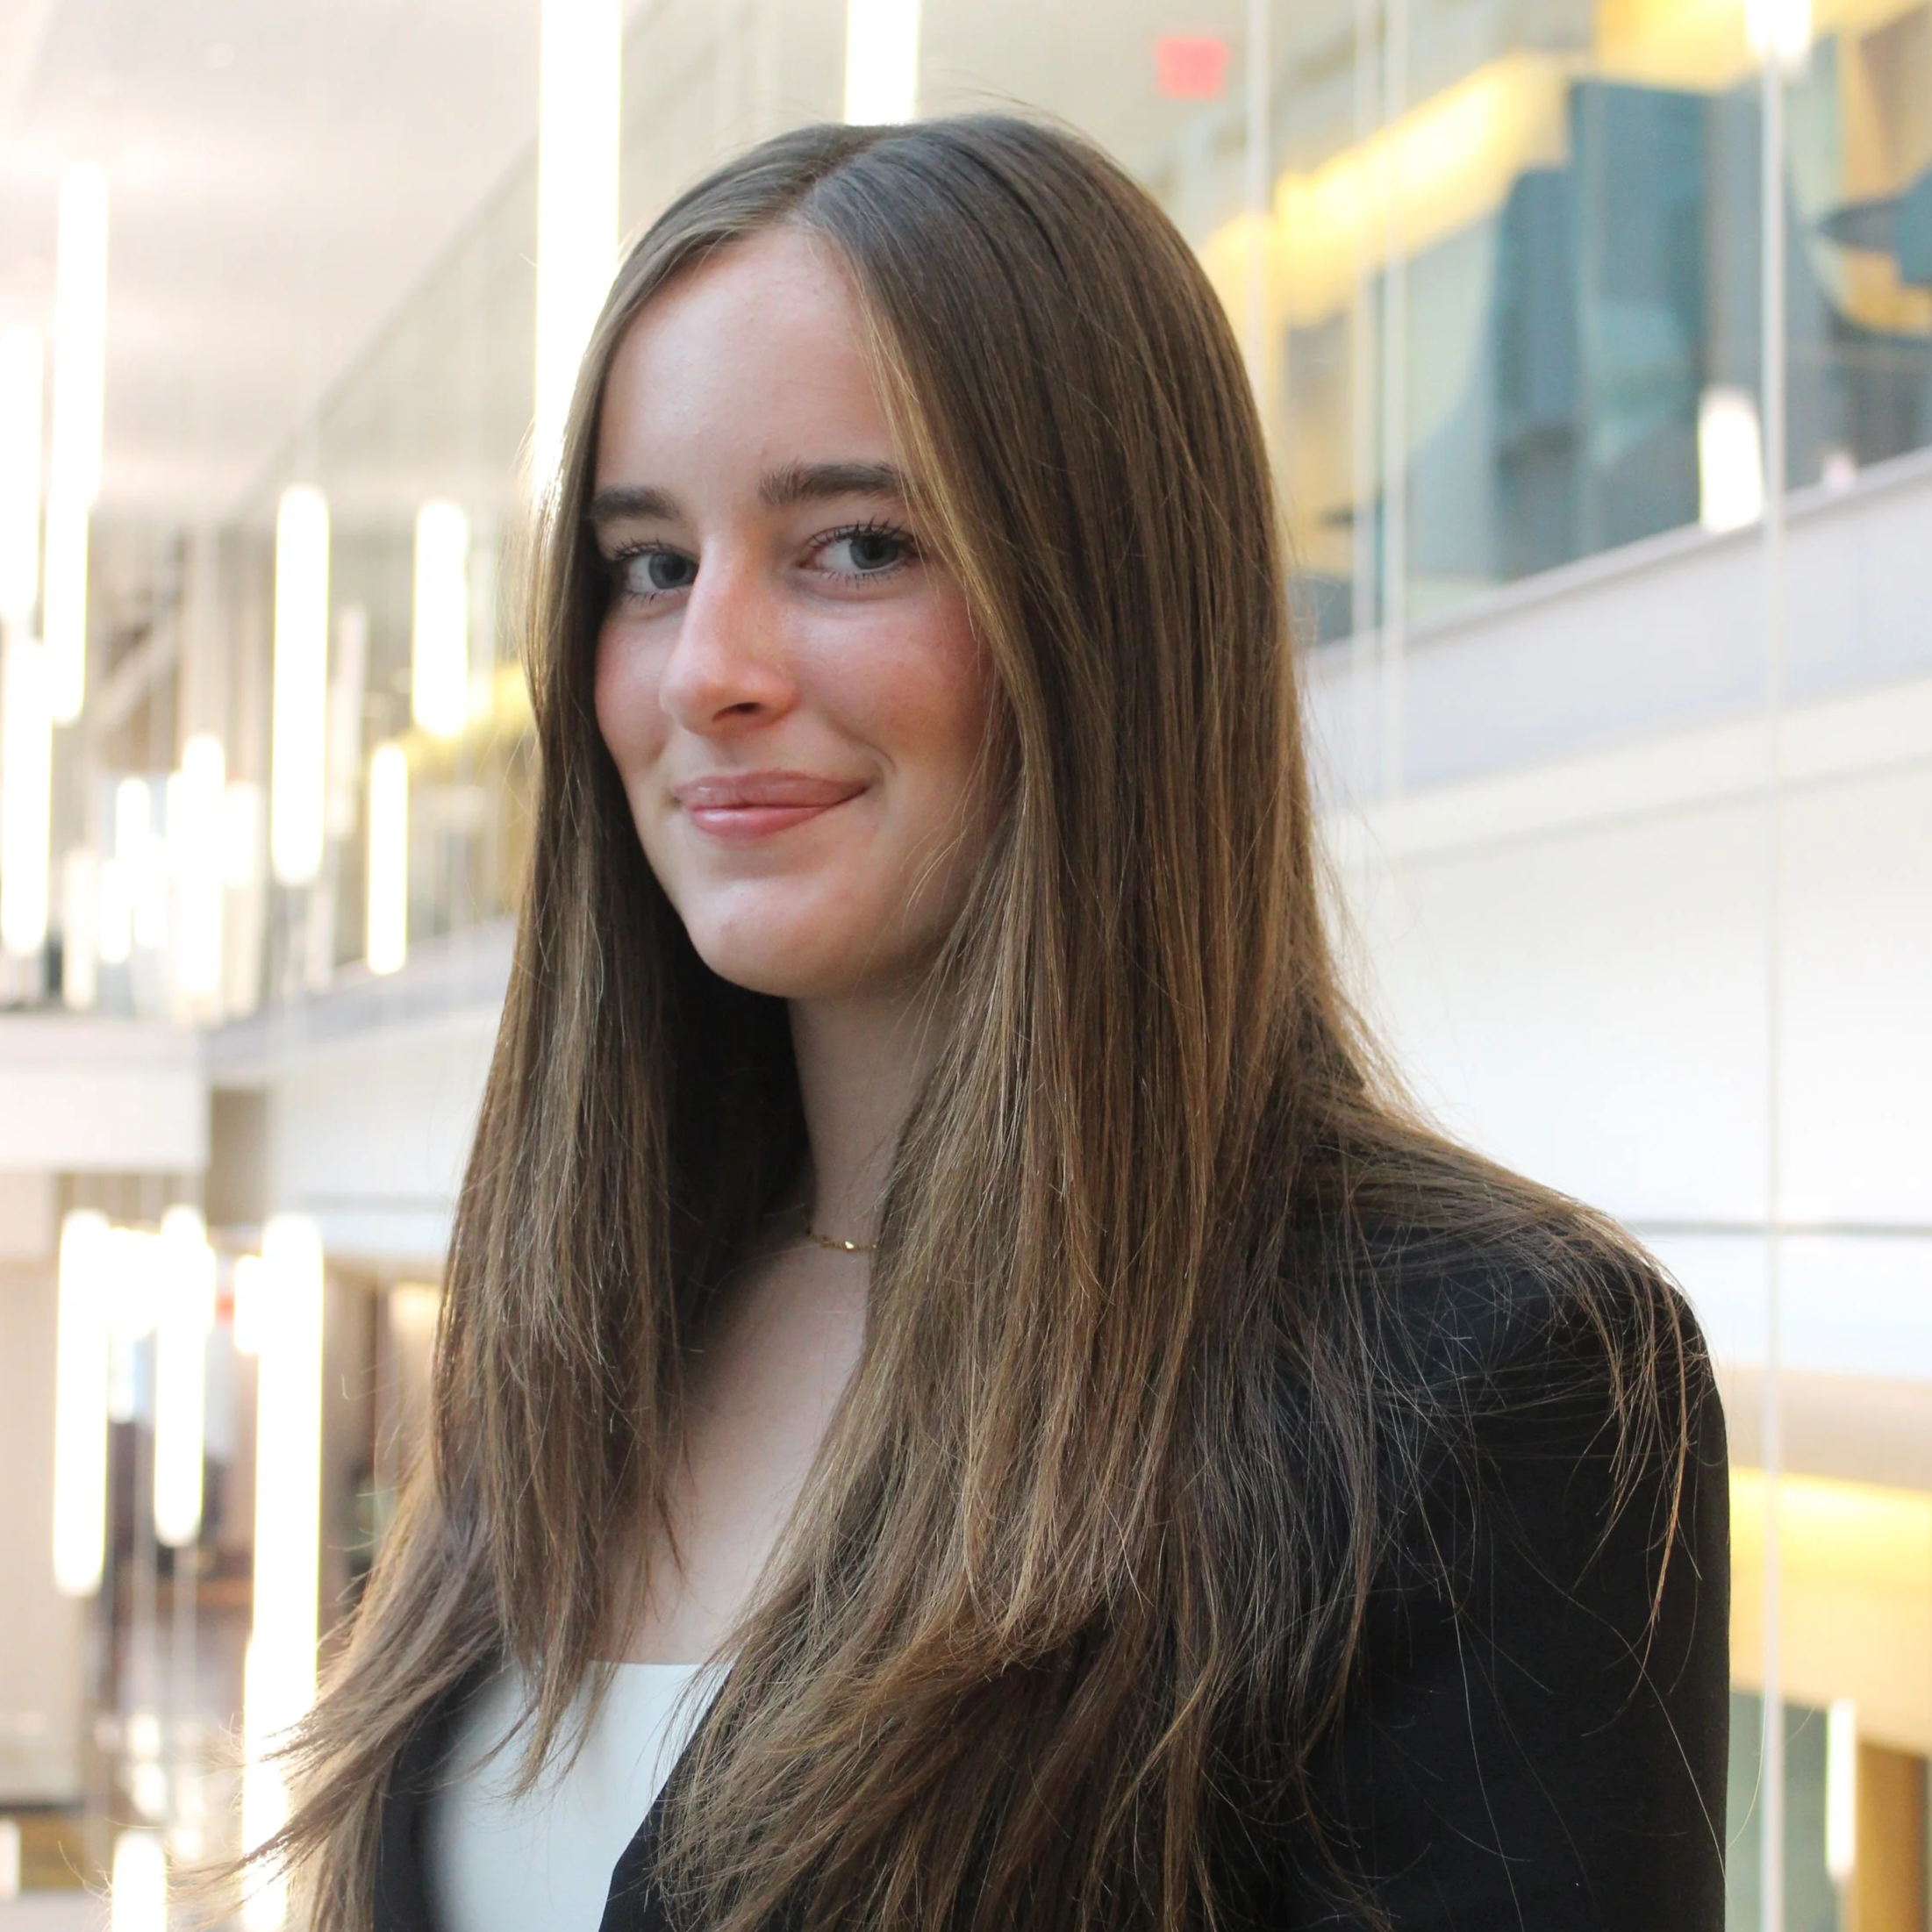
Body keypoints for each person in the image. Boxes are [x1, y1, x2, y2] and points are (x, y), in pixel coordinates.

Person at [274, 116, 1728, 1932]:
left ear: (1103, 605)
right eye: (649, 566)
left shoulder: (1479, 1382)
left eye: (857, 545)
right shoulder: (591, 1326)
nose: (709, 665)